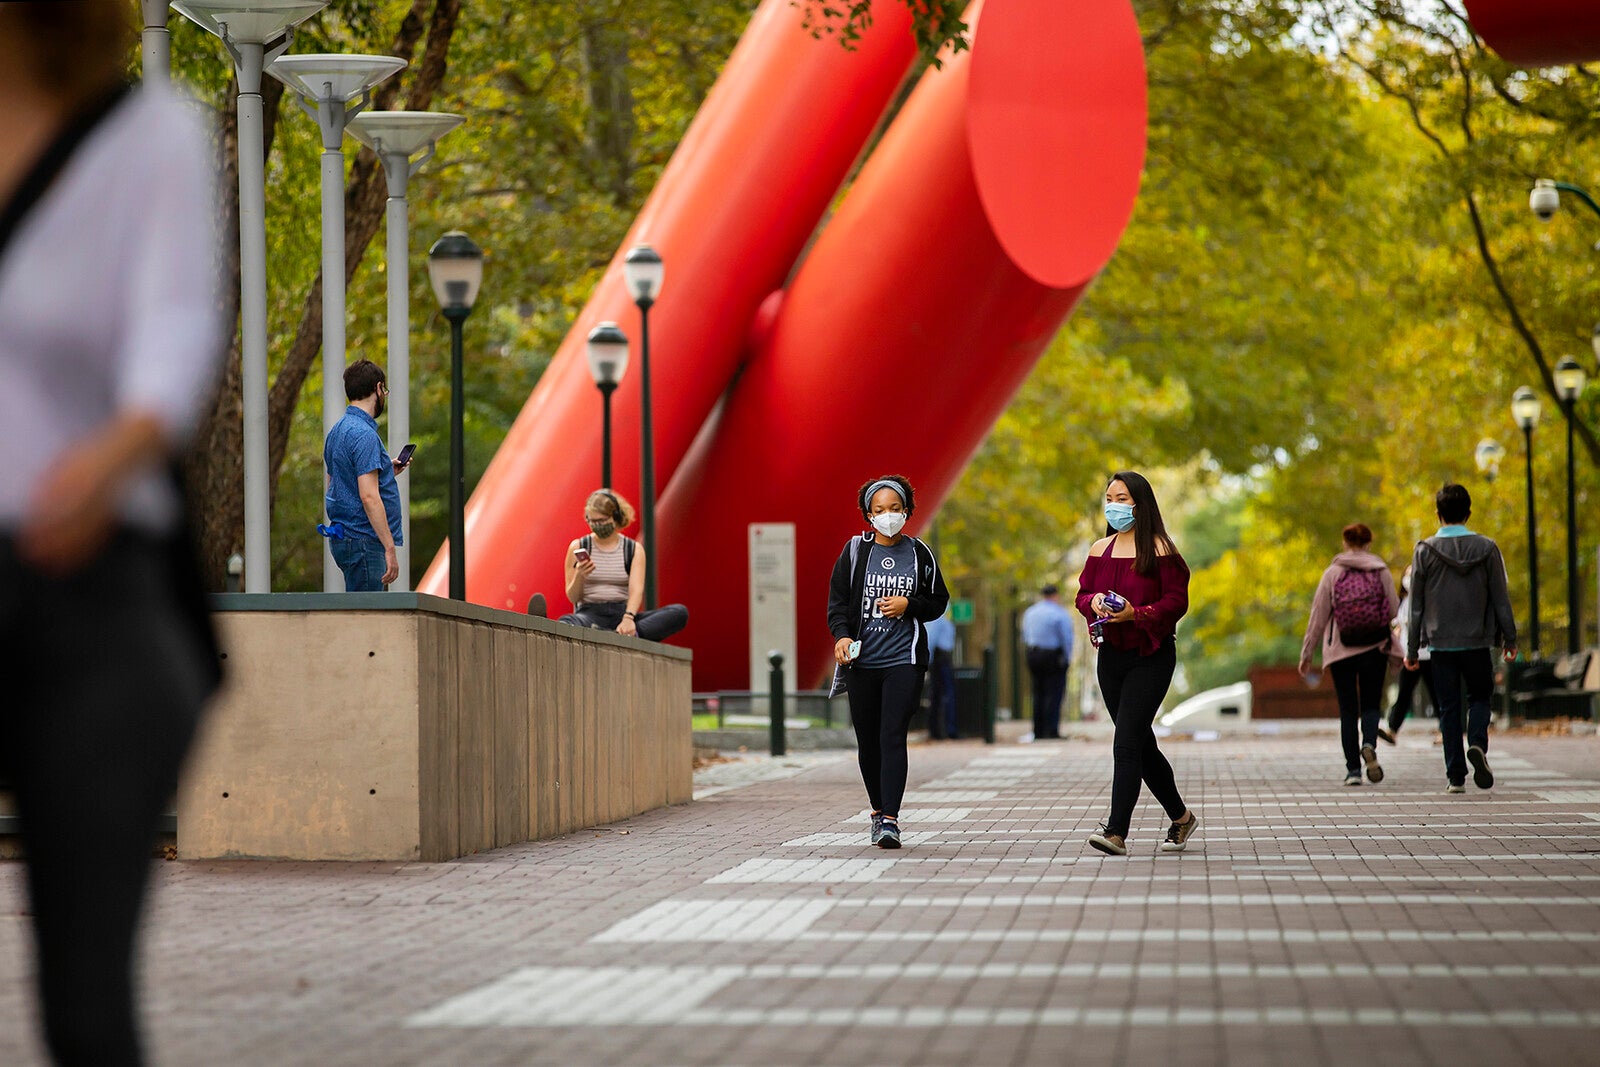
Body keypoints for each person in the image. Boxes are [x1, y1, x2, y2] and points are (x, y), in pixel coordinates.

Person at [0, 3, 225, 1062]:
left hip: (88, 590)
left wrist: (119, 447)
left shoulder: (148, 135)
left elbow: (174, 324)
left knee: (84, 999)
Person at [1074, 471, 1198, 856]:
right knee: (1141, 745)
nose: (1113, 504)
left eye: (1122, 498)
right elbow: (1082, 593)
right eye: (1109, 497)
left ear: (1140, 505)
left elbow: (1177, 601)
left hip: (1152, 654)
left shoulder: (1162, 550)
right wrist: (1092, 602)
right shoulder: (1099, 549)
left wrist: (1138, 614)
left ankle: (1116, 832)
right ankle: (1181, 818)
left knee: (1125, 742)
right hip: (1111, 656)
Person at [828, 475, 950, 848]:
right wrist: (842, 637)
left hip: (904, 659)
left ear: (907, 512)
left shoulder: (920, 554)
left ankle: (891, 820)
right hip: (863, 663)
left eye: (895, 509)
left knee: (892, 735)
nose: (888, 516)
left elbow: (937, 601)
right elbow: (837, 605)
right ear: (868, 514)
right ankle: (877, 811)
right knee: (868, 741)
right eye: (879, 510)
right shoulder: (854, 552)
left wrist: (907, 604)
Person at [1405, 483, 1517, 793]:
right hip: (1478, 641)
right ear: (1468, 513)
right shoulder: (1488, 549)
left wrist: (1412, 648)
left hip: (1441, 643)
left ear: (1438, 514)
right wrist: (1510, 637)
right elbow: (1500, 597)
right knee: (1480, 698)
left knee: (1448, 708)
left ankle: (1455, 776)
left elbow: (1415, 605)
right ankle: (1478, 744)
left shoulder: (1424, 551)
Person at [1298, 523, 1399, 786]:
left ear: (1345, 543)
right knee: (1370, 704)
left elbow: (1318, 617)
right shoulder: (1380, 571)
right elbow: (1393, 610)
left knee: (1347, 709)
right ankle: (1369, 744)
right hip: (1374, 647)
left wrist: (1307, 652)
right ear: (1368, 543)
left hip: (1340, 650)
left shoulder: (1333, 573)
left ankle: (1353, 770)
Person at [536, 489, 688, 641]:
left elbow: (636, 590)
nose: (597, 525)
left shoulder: (633, 549)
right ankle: (551, 628)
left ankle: (619, 634)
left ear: (615, 517)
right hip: (589, 613)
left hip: (622, 614)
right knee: (568, 621)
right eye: (592, 521)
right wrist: (579, 576)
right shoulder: (578, 546)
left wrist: (628, 618)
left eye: (601, 521)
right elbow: (573, 596)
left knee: (678, 612)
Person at [322, 360, 410, 591]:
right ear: (378, 388)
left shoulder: (337, 431)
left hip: (345, 537)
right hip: (363, 540)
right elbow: (368, 497)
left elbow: (336, 482)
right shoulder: (364, 435)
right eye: (385, 391)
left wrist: (385, 473)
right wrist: (389, 547)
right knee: (368, 619)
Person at [1378, 564, 1433, 744]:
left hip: (1427, 654)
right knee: (1404, 692)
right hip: (1408, 655)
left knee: (1436, 693)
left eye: (1412, 575)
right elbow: (1398, 624)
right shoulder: (1403, 601)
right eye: (1406, 575)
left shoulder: (1428, 599)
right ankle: (1392, 729)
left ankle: (1445, 730)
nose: (1408, 579)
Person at [1021, 584, 1075, 740]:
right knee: (1054, 693)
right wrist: (1067, 658)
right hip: (1052, 656)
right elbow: (1066, 638)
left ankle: (1038, 731)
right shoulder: (1059, 614)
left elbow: (1024, 635)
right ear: (1056, 595)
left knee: (1038, 693)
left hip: (1033, 654)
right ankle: (1052, 731)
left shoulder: (1030, 612)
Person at [925, 608, 957, 739]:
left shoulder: (945, 615)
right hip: (940, 659)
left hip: (943, 658)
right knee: (943, 694)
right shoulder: (940, 615)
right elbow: (932, 638)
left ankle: (942, 729)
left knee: (941, 694)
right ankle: (944, 730)